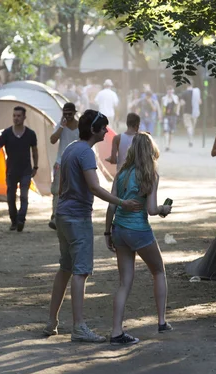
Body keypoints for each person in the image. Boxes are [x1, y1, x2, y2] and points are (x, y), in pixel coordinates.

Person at [43, 110, 142, 343]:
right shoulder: (86, 153)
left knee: (65, 268)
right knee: (80, 271)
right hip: (78, 218)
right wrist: (122, 202)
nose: (107, 131)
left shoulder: (70, 149)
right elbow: (95, 187)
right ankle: (79, 327)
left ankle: (51, 322)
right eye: (104, 128)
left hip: (63, 216)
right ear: (94, 130)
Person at [105, 132, 173, 345]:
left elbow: (111, 205)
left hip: (119, 230)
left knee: (124, 283)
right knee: (159, 271)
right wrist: (164, 208)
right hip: (139, 230)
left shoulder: (122, 172)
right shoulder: (151, 174)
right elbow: (152, 210)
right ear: (151, 151)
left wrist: (107, 232)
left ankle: (116, 331)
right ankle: (162, 321)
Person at [0, 106, 38, 231]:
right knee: (11, 197)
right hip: (11, 170)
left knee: (24, 196)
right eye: (14, 116)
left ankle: (21, 219)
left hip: (26, 170)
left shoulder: (30, 134)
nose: (16, 118)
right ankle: (14, 220)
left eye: (18, 116)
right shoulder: (7, 133)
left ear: (24, 117)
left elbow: (34, 151)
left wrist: (36, 166)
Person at [48, 102, 79, 230]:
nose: (67, 116)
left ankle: (72, 215)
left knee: (75, 190)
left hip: (76, 163)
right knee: (57, 191)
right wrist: (61, 126)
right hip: (61, 162)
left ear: (74, 113)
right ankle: (55, 217)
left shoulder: (80, 126)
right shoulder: (61, 125)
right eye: (65, 114)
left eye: (69, 114)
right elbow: (53, 140)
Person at [181, 83, 201, 147]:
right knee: (193, 127)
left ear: (186, 85)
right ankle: (191, 140)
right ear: (192, 85)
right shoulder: (196, 92)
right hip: (195, 112)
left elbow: (182, 103)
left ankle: (190, 141)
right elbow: (200, 102)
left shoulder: (184, 93)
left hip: (186, 112)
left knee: (189, 127)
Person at [161, 86, 180, 151]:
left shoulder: (175, 97)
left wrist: (177, 112)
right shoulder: (164, 98)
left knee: (171, 131)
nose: (169, 92)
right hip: (166, 116)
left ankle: (169, 145)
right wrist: (161, 116)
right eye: (168, 90)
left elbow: (177, 105)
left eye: (171, 90)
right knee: (166, 131)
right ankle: (166, 145)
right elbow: (162, 108)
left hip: (173, 116)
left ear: (173, 91)